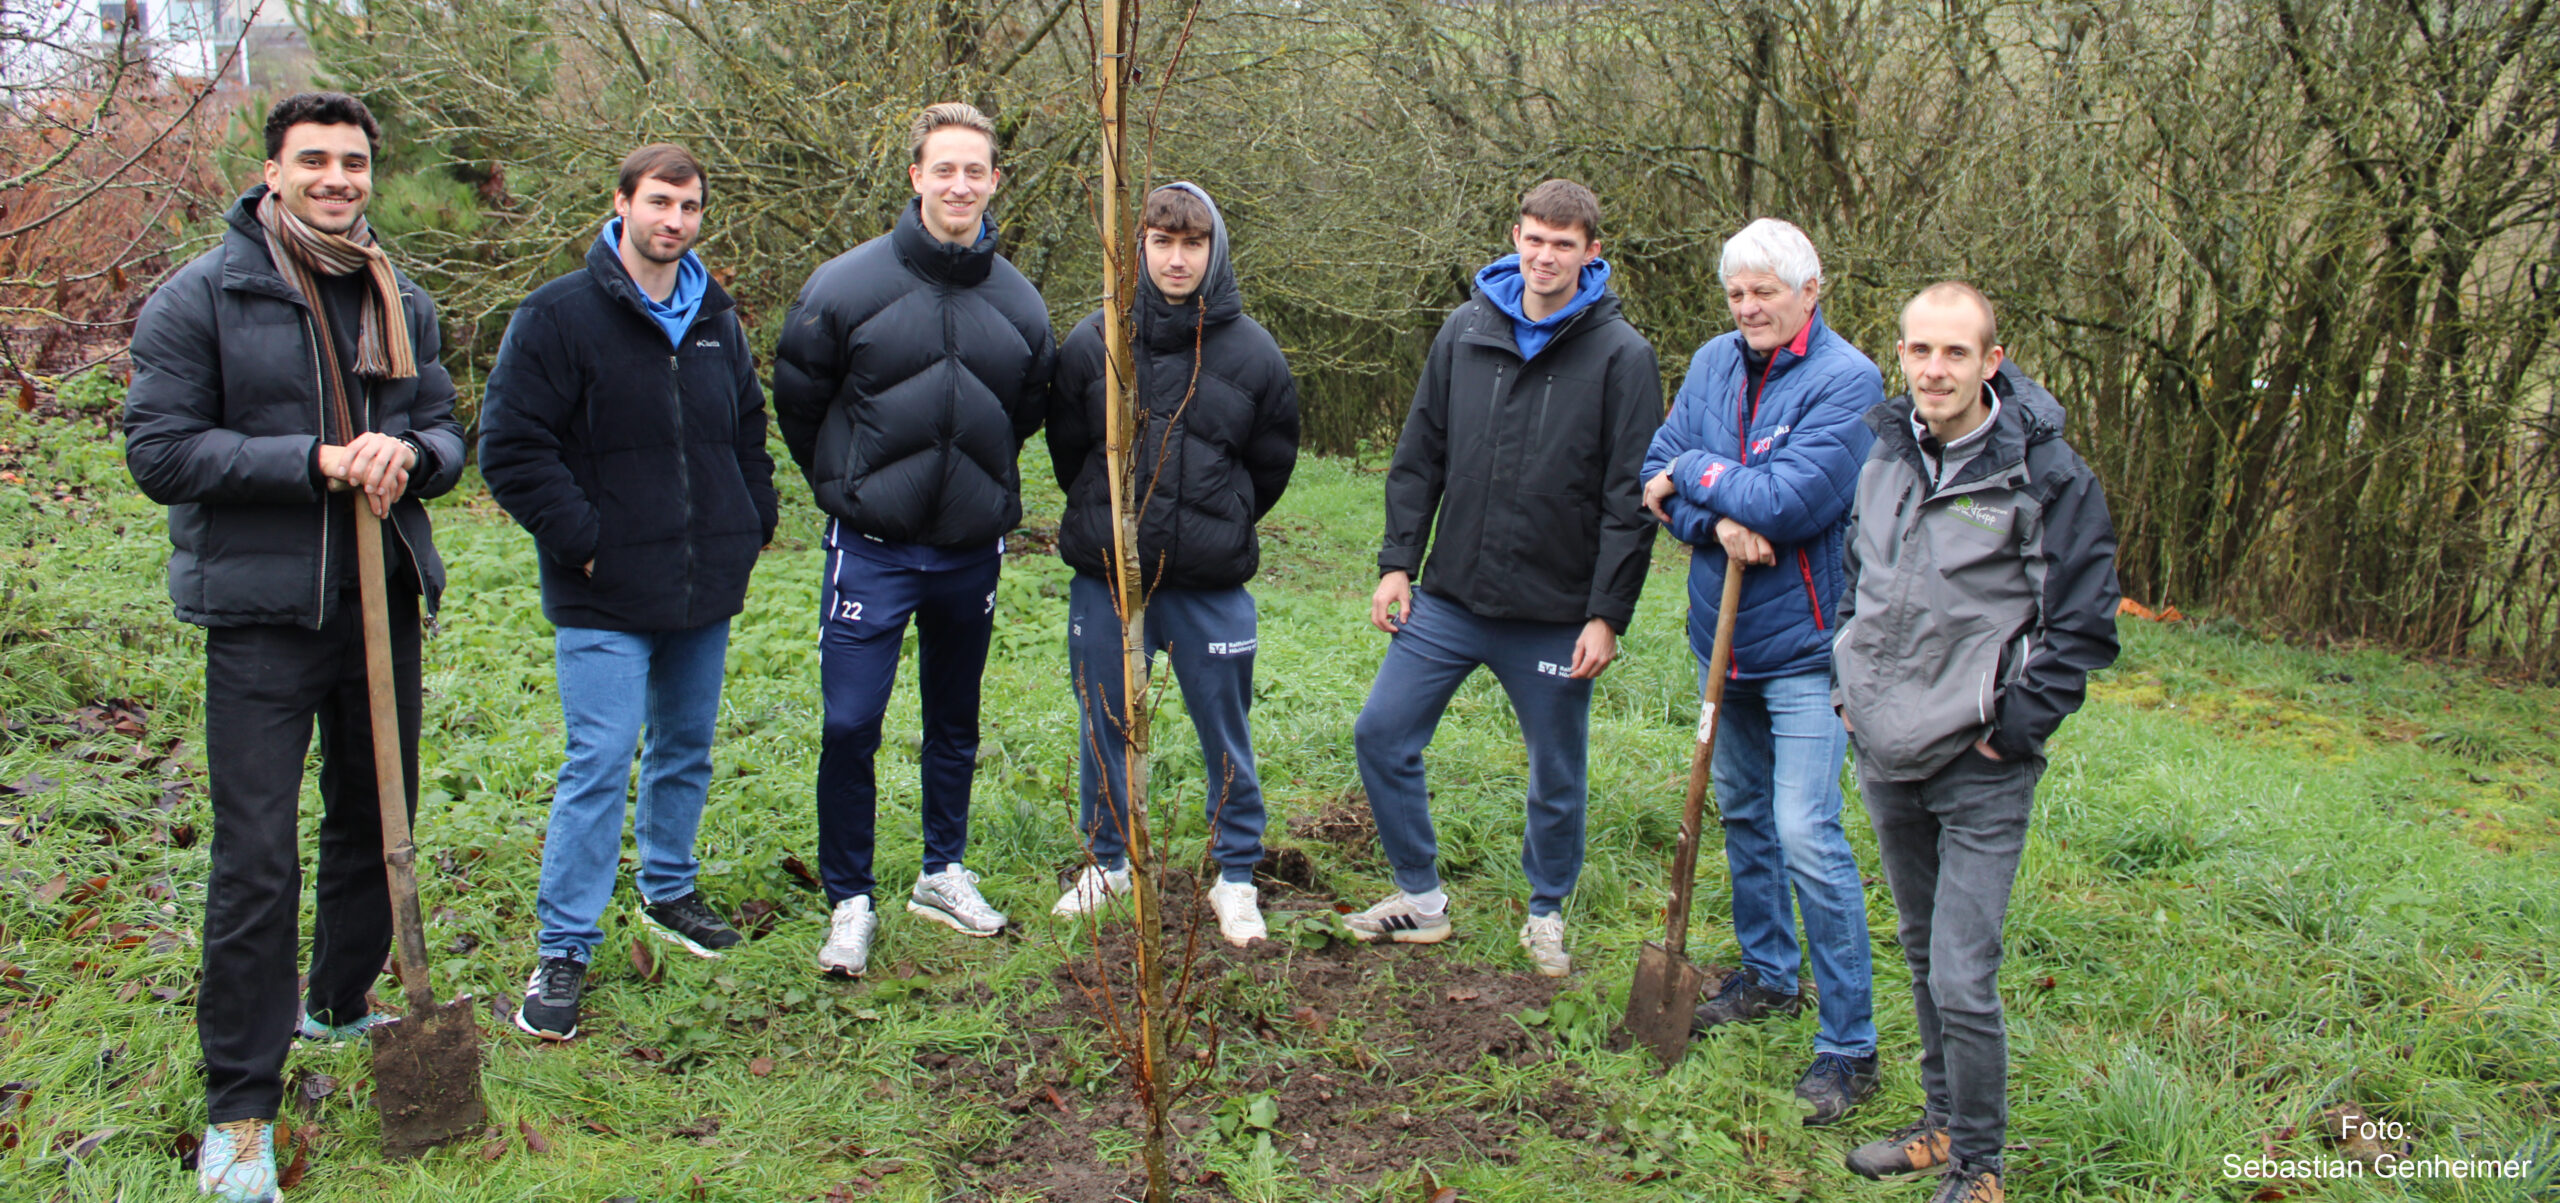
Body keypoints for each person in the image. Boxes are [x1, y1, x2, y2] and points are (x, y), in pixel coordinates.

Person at [123, 92, 465, 1201]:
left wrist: (408, 455)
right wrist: (318, 462)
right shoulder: (204, 298)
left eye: (354, 161)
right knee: (257, 859)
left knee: (379, 822)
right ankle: (238, 1108)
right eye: (313, 160)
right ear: (270, 172)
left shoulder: (396, 292)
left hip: (381, 604)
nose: (337, 178)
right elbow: (162, 452)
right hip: (264, 618)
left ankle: (336, 1002)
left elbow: (448, 427)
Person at [478, 144, 780, 1040]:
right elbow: (512, 447)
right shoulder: (558, 316)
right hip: (604, 591)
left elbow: (748, 432)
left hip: (701, 584)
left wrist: (749, 521)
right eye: (659, 203)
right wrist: (588, 545)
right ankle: (565, 944)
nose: (674, 222)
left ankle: (668, 888)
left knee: (686, 745)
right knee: (601, 759)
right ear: (620, 205)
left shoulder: (716, 316)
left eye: (689, 207)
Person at [1833, 282, 2120, 1203]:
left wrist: (2014, 728)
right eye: (1920, 351)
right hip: (1886, 749)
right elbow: (1859, 577)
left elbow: (2081, 624)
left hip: (1979, 761)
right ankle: (1940, 1122)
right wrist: (1850, 691)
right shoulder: (1883, 455)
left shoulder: (2048, 475)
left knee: (1962, 972)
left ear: (1992, 361)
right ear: (1902, 356)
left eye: (1956, 353)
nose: (1935, 369)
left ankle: (1981, 1166)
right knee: (1920, 952)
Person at [1344, 179, 1659, 977]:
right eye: (1535, 238)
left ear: (1592, 252)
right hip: (1451, 597)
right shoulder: (1466, 329)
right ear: (1514, 236)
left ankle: (1546, 911)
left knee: (1557, 770)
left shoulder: (1623, 356)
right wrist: (1396, 563)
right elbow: (1421, 457)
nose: (1546, 256)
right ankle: (1419, 897)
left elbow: (1630, 500)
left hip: (1556, 615)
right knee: (1381, 733)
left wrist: (1606, 615)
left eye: (1564, 243)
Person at [773, 102, 1055, 977]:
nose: (959, 185)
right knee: (852, 721)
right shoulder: (844, 286)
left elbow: (1028, 410)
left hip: (969, 550)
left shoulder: (1020, 300)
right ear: (916, 178)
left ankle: (943, 870)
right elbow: (798, 394)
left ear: (995, 181)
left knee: (954, 720)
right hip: (873, 547)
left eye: (976, 171)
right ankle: (849, 898)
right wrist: (849, 487)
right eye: (944, 169)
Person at [1639, 218, 1884, 1124]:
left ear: (1808, 291)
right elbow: (1651, 476)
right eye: (1736, 293)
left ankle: (1849, 1045)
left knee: (1805, 831)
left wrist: (1702, 476)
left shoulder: (1850, 382)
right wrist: (1716, 517)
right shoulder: (1710, 363)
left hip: (1806, 652)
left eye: (1764, 292)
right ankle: (1770, 976)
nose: (1747, 308)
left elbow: (1787, 501)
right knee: (1743, 810)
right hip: (1723, 640)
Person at [1043, 183, 1300, 945]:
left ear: (1213, 249)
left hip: (1209, 582)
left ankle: (1237, 873)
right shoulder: (1096, 341)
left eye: (1193, 243)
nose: (1177, 258)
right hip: (1108, 576)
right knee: (1106, 720)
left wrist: (1214, 518)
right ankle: (1109, 862)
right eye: (1162, 241)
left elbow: (1273, 461)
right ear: (1139, 247)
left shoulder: (1254, 353)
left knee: (1225, 726)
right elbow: (1068, 448)